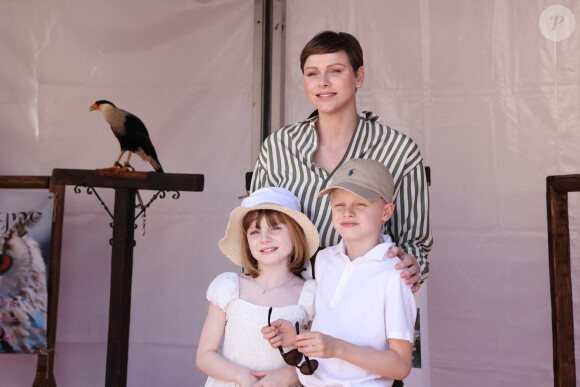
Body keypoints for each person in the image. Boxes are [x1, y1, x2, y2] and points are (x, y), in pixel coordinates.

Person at [250, 30, 432, 292]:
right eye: (312, 73)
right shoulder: (278, 147)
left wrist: (413, 264)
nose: (323, 82)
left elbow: (415, 242)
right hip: (288, 298)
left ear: (358, 77)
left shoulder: (400, 150)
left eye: (335, 71)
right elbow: (254, 230)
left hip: (363, 297)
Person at [263, 158, 416, 386]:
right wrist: (297, 337)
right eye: (339, 205)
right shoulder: (323, 260)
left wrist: (337, 348)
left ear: (386, 212)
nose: (348, 212)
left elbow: (401, 366)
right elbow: (328, 326)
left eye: (361, 204)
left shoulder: (395, 274)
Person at [196, 187, 319, 387]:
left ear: (296, 234)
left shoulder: (310, 295)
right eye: (255, 231)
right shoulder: (229, 288)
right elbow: (204, 355)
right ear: (247, 241)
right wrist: (242, 376)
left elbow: (317, 356)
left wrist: (291, 375)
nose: (264, 238)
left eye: (275, 228)